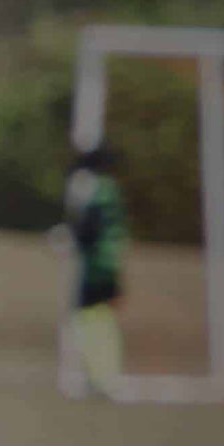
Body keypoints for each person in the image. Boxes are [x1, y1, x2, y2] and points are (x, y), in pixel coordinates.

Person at [64, 145, 128, 398]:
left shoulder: (93, 190)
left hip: (96, 266)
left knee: (87, 319)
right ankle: (107, 374)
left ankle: (100, 375)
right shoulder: (111, 190)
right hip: (111, 262)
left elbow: (88, 230)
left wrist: (70, 238)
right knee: (103, 319)